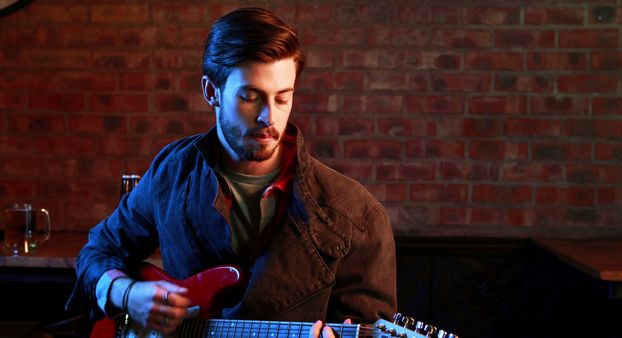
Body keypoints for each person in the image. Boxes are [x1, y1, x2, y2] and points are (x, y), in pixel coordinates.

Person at [67, 7, 396, 337]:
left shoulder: (357, 214)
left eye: (283, 98)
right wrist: (126, 293)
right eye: (250, 97)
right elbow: (98, 251)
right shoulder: (172, 171)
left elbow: (369, 327)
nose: (269, 116)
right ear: (212, 92)